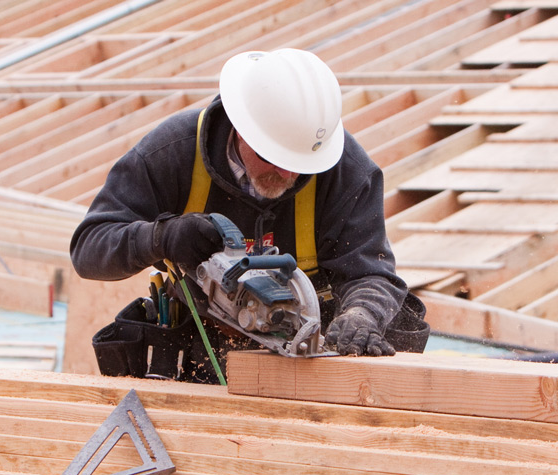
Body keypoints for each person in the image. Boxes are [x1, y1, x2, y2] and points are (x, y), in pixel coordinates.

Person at [71, 48, 428, 382]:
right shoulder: (171, 153)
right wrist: (159, 237)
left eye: (299, 165)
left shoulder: (346, 172)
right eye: (273, 157)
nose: (287, 175)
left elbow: (373, 273)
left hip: (313, 362)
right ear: (241, 126)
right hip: (200, 354)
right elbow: (88, 249)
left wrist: (362, 315)